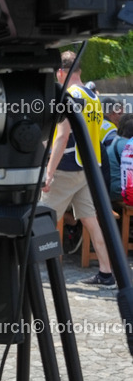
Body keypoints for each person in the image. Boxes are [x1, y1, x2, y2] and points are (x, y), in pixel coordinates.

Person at [41, 50, 114, 287]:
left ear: (61, 72)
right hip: (88, 168)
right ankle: (106, 272)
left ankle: (23, 270)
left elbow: (63, 137)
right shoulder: (93, 97)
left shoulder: (69, 96)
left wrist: (49, 172)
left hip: (67, 167)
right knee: (91, 221)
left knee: (40, 219)